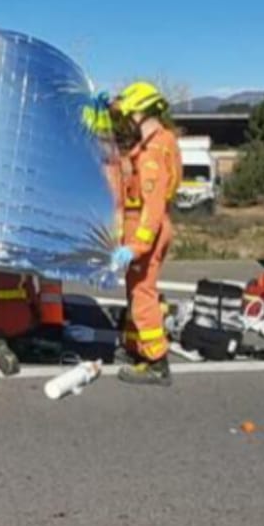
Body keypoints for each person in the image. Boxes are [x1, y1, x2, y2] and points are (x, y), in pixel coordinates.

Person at [109, 81, 183, 387]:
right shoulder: (160, 140)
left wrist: (137, 245)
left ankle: (156, 360)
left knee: (142, 294)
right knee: (136, 290)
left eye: (128, 115)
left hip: (146, 228)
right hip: (146, 226)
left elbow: (152, 205)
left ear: (140, 112)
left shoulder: (152, 151)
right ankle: (134, 347)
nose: (126, 121)